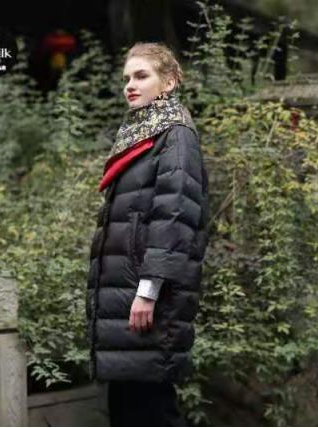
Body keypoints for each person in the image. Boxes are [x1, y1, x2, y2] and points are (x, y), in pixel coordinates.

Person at [85, 42, 210, 426]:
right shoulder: (141, 134)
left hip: (147, 298)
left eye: (142, 76)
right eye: (127, 78)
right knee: (128, 411)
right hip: (126, 294)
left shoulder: (175, 135)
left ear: (168, 82)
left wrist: (148, 291)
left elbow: (175, 215)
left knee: (151, 411)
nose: (130, 85)